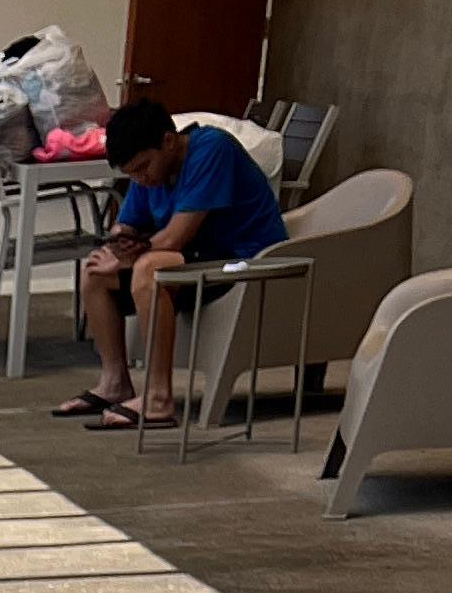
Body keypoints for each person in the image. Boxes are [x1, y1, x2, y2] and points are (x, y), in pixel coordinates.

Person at [60, 97, 288, 429]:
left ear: (168, 141)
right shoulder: (149, 174)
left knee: (149, 268)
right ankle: (114, 383)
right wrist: (117, 242)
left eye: (142, 167)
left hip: (243, 260)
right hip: (199, 256)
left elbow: (174, 239)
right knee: (93, 271)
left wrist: (125, 259)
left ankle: (159, 398)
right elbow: (128, 223)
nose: (140, 178)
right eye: (131, 174)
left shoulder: (211, 148)